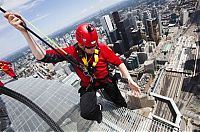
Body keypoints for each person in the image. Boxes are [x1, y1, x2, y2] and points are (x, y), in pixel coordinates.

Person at [4, 12, 141, 123]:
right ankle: (99, 111)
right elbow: (42, 56)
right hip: (89, 85)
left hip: (106, 80)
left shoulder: (102, 49)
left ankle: (126, 117)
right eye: (89, 47)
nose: (93, 49)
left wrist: (128, 78)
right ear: (81, 44)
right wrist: (25, 32)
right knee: (86, 113)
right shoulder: (71, 53)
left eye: (95, 45)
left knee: (120, 103)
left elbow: (118, 62)